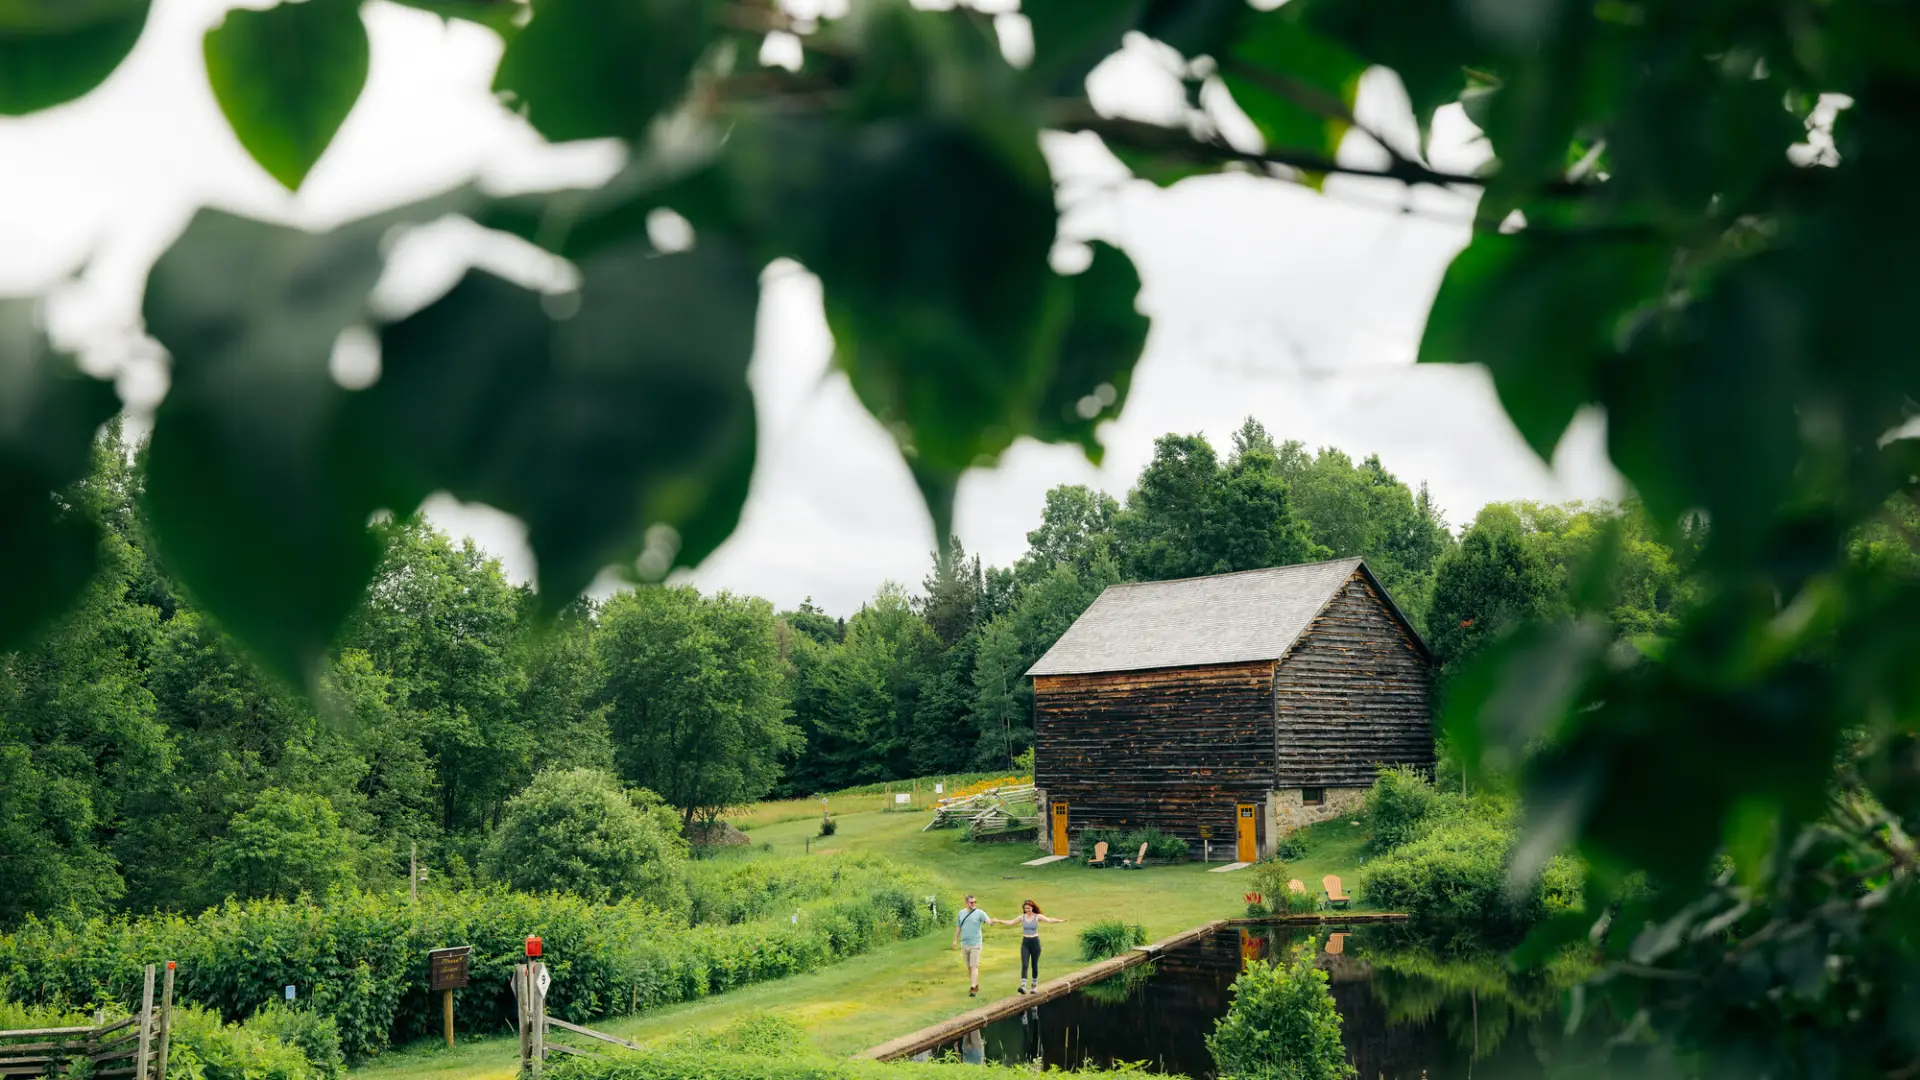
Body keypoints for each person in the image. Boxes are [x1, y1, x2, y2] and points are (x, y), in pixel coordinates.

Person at [1006, 899, 1065, 995]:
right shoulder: (1022, 917)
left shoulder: (1037, 917)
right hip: (1025, 942)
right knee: (1025, 964)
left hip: (1035, 942)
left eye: (1028, 908)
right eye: (1025, 908)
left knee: (1034, 965)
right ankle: (1023, 986)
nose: (1027, 910)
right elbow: (1011, 922)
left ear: (1032, 908)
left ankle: (1034, 986)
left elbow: (1049, 920)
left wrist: (1059, 920)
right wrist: (998, 921)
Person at [951, 893, 991, 996]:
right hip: (964, 944)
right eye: (971, 902)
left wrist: (992, 921)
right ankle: (975, 984)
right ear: (966, 903)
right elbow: (958, 927)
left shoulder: (979, 913)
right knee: (969, 967)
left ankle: (973, 988)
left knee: (974, 966)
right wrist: (955, 940)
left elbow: (988, 921)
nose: (973, 904)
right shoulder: (961, 913)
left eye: (974, 902)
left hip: (976, 944)